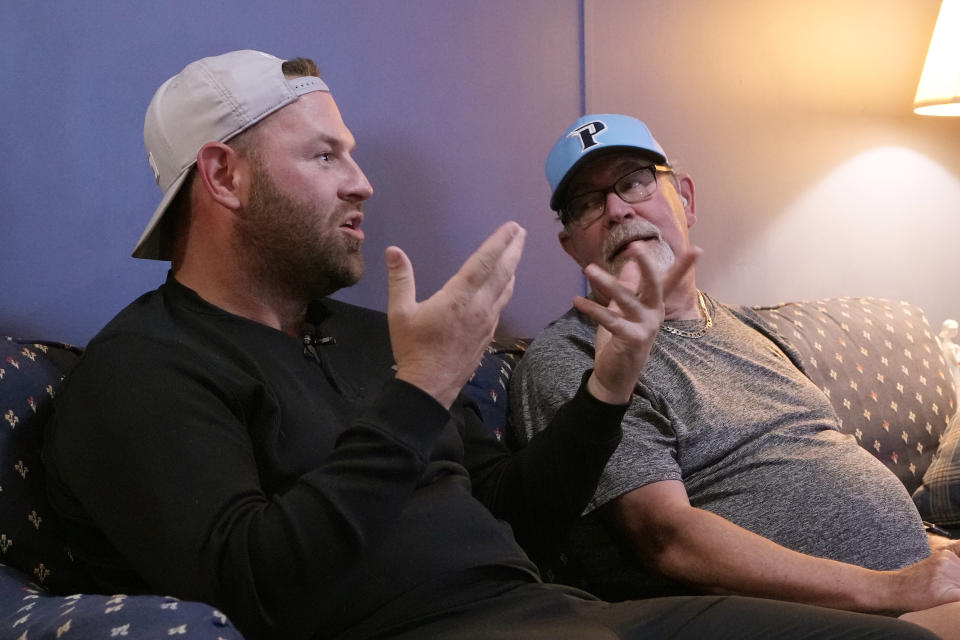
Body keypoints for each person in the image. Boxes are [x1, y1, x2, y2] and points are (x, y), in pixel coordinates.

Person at [42, 51, 939, 640]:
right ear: (224, 176)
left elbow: (516, 515)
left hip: (558, 613)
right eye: (324, 157)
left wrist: (608, 394)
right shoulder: (143, 367)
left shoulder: (365, 339)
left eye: (351, 154)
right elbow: (252, 581)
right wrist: (417, 392)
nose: (361, 181)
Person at [509, 112, 960, 638]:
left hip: (911, 584)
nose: (615, 209)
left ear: (688, 201)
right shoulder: (575, 357)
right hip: (821, 616)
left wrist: (930, 551)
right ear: (572, 245)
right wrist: (890, 588)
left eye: (634, 180)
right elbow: (666, 539)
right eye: (586, 203)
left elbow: (822, 459)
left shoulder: (748, 328)